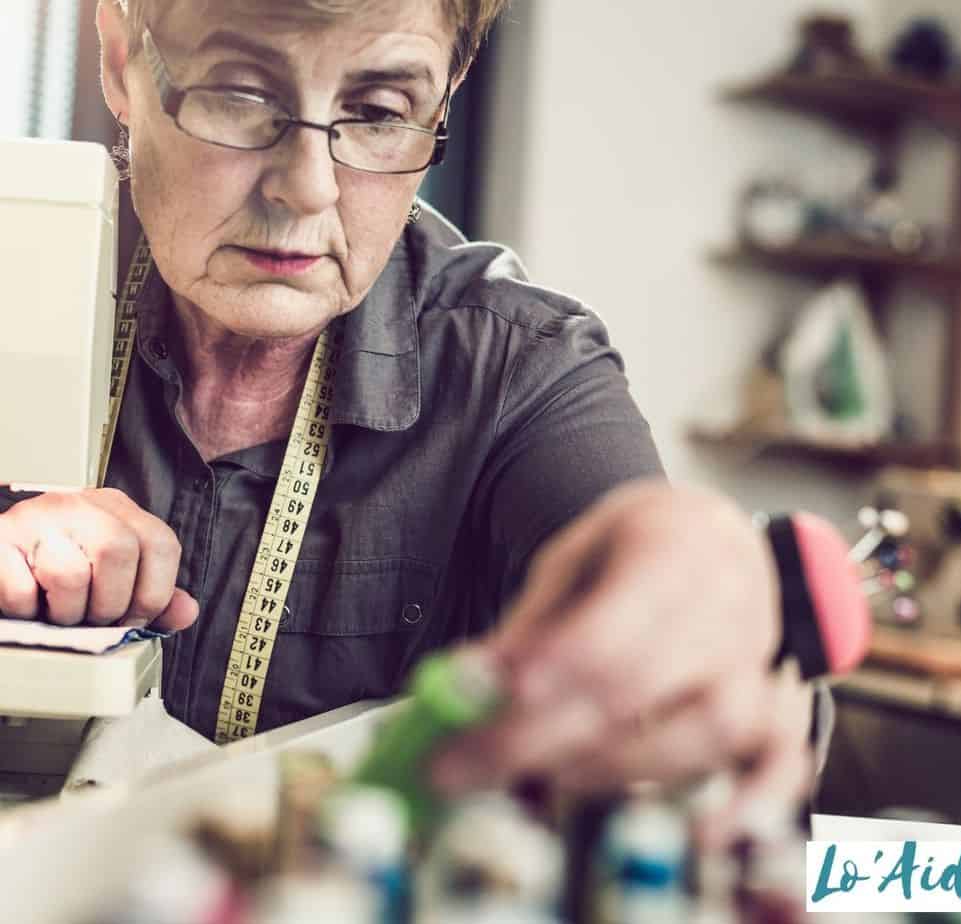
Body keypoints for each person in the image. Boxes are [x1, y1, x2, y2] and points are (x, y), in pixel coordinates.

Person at [0, 0, 816, 844]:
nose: (307, 187)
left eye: (380, 113)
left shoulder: (517, 373)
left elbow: (643, 554)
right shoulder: (14, 271)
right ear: (118, 55)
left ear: (446, 95)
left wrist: (701, 575)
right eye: (240, 95)